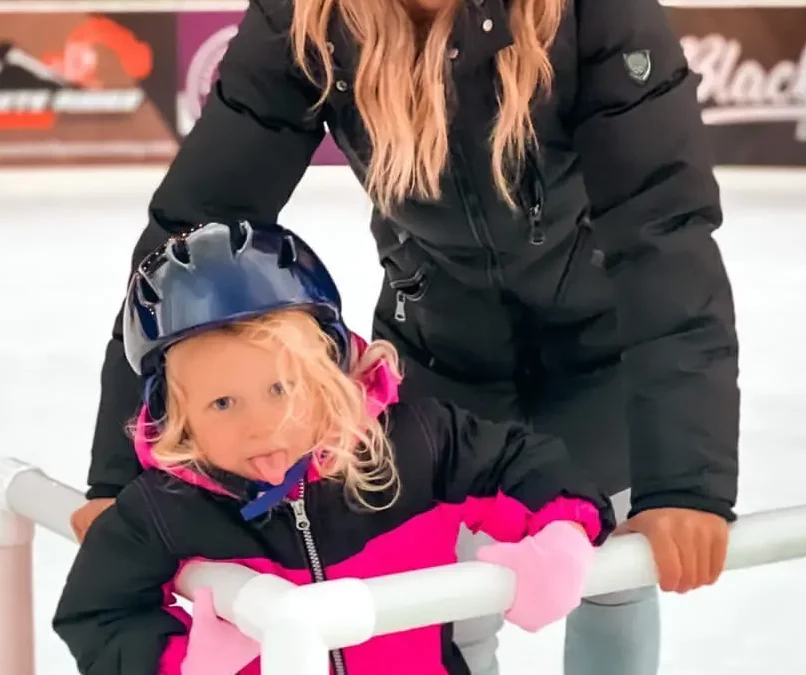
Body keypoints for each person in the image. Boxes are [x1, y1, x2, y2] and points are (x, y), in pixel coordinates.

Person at [69, 0, 740, 673]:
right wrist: (118, 473)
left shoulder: (594, 11)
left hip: (608, 359)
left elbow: (662, 232)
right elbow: (193, 230)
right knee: (446, 610)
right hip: (441, 362)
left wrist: (685, 485)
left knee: (611, 584)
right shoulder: (313, 17)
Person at [54, 221, 616, 675]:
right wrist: (183, 663)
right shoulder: (165, 507)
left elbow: (520, 462)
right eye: (223, 404)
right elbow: (99, 614)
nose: (261, 425)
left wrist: (565, 536)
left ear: (331, 371)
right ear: (176, 417)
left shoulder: (410, 443)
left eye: (283, 387)